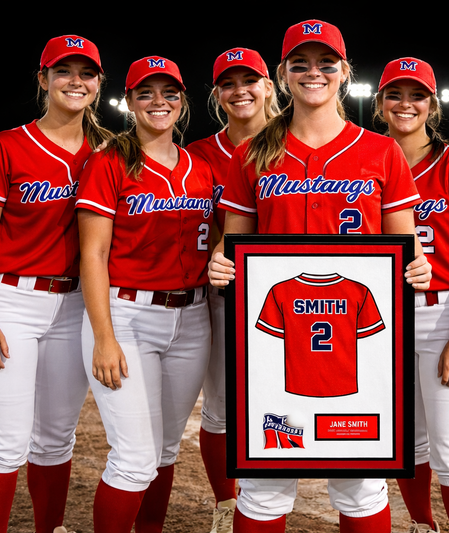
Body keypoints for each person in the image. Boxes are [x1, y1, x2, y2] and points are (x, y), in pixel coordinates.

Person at [208, 19, 431, 533]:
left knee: (360, 485)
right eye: (301, 64)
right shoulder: (253, 152)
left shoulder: (381, 151)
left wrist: (416, 266)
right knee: (263, 486)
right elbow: (235, 240)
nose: (315, 73)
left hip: (357, 348)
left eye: (326, 63)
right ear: (283, 74)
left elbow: (405, 243)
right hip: (275, 349)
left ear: (345, 72)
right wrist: (220, 260)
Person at [0, 34, 110, 533]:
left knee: (55, 438)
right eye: (63, 71)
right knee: (3, 440)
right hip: (9, 299)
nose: (75, 81)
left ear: (99, 83)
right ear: (42, 79)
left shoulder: (108, 152)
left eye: (86, 73)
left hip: (73, 308)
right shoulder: (4, 145)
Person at [75, 56, 214, 533]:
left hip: (194, 319)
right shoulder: (109, 161)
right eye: (146, 93)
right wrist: (103, 337)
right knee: (134, 458)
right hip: (128, 314)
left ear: (183, 100)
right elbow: (92, 255)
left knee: (164, 450)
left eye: (169, 92)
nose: (159, 101)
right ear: (129, 101)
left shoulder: (202, 165)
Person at [375, 58, 449, 533]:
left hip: (441, 313)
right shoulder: (364, 159)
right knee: (408, 443)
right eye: (395, 94)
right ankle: (423, 524)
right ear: (380, 101)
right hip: (382, 318)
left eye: (417, 95)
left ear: (432, 104)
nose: (406, 104)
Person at [186, 47, 279, 533]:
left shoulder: (297, 138)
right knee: (222, 406)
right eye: (228, 83)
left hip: (293, 293)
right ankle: (227, 502)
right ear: (217, 94)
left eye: (251, 80)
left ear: (269, 85)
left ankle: (276, 493)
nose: (240, 90)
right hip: (226, 294)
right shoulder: (199, 153)